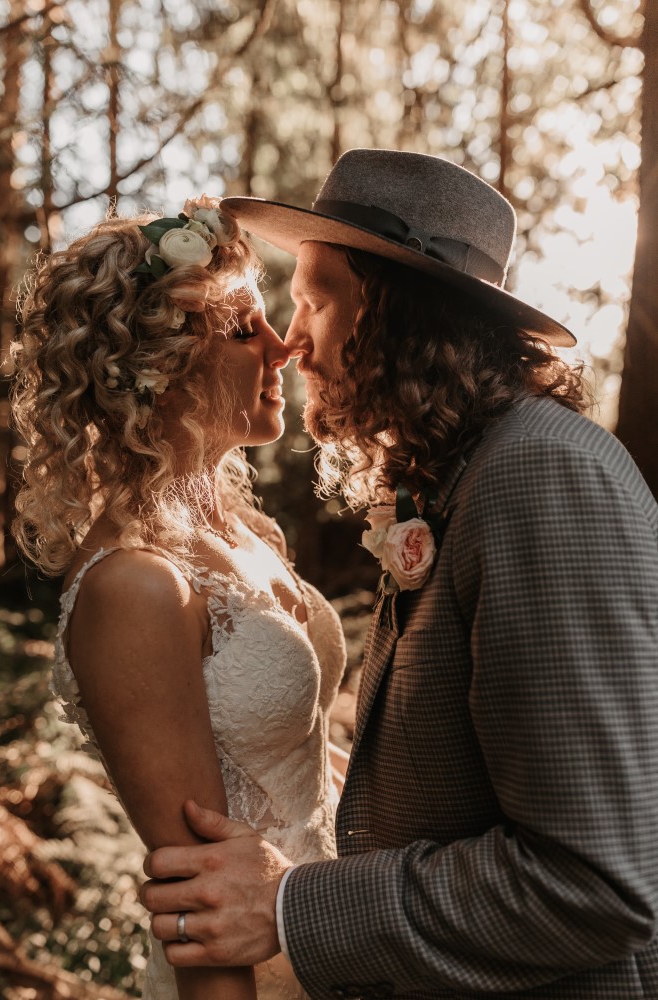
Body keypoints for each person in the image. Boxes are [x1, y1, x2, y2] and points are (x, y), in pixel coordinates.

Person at [140, 149, 658, 999]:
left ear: (400, 314)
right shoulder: (453, 479)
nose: (292, 339)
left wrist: (289, 907)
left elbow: (592, 884)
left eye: (314, 300)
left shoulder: (540, 480)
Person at [10, 195, 350, 1000]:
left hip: (331, 928)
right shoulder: (133, 585)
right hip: (258, 972)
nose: (282, 348)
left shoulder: (242, 530)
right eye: (242, 330)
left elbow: (301, 760)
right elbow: (199, 902)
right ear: (159, 365)